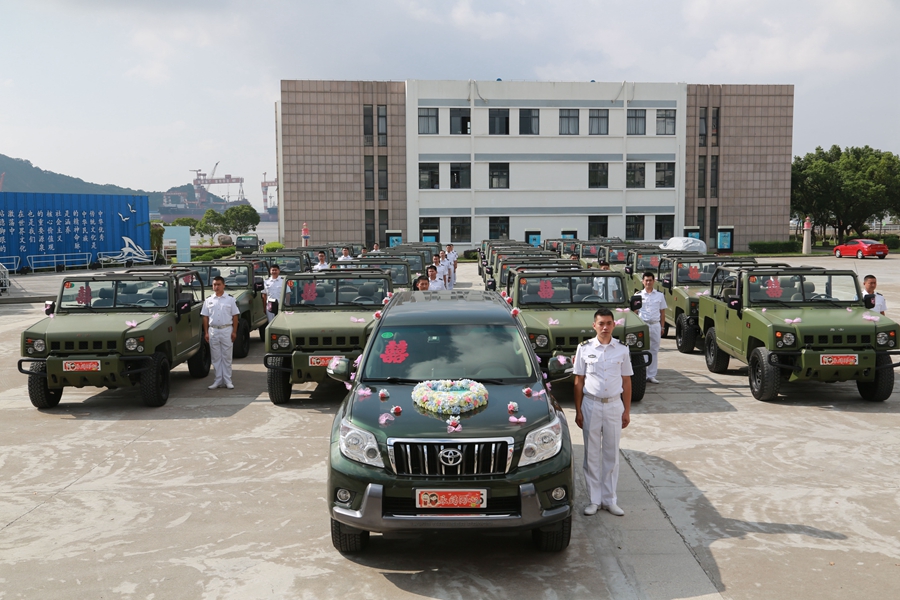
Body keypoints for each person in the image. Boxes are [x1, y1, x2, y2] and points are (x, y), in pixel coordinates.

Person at [573, 308, 633, 517]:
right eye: (601, 323)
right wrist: (578, 410)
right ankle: (594, 500)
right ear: (594, 326)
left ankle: (609, 500)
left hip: (614, 405)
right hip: (591, 404)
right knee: (591, 454)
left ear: (614, 325)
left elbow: (627, 381)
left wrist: (627, 410)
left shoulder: (622, 349)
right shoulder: (584, 349)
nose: (605, 327)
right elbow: (579, 381)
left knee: (611, 453)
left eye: (608, 323)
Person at [202, 276, 240, 390]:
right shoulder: (209, 300)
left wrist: (234, 331)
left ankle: (228, 380)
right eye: (214, 284)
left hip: (226, 329)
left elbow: (235, 316)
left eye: (218, 284)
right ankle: (218, 380)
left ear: (223, 285)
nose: (216, 287)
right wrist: (206, 332)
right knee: (216, 357)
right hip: (213, 330)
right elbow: (205, 317)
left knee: (227, 356)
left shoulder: (230, 299)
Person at [636, 271, 667, 384]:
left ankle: (651, 375)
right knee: (643, 350)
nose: (648, 282)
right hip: (643, 325)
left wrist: (662, 327)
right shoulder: (638, 295)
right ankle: (643, 374)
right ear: (643, 282)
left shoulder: (660, 295)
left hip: (655, 325)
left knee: (654, 350)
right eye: (646, 280)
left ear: (654, 281)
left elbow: (662, 312)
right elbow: (635, 312)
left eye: (650, 280)